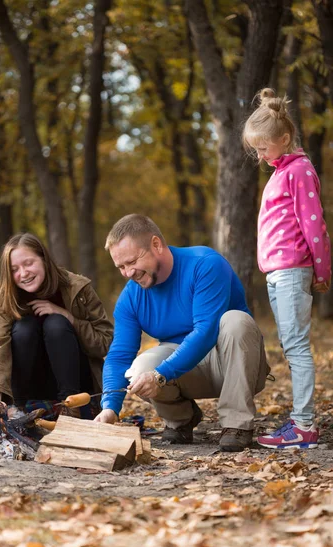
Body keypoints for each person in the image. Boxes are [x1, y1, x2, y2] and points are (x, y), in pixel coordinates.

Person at [94, 214, 270, 452]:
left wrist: (160, 375)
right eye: (121, 267)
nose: (127, 273)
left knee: (235, 321)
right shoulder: (130, 297)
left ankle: (237, 424)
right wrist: (109, 408)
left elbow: (206, 331)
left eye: (131, 262)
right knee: (137, 369)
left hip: (231, 362)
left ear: (156, 245)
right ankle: (181, 419)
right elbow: (119, 355)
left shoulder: (205, 263)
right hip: (186, 370)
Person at [242, 88, 331, 449]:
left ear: (284, 138)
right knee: (290, 344)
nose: (260, 155)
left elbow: (314, 225)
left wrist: (322, 271)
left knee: (296, 346)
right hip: (278, 273)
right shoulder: (281, 172)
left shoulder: (300, 171)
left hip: (294, 270)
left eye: (264, 147)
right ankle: (300, 419)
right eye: (256, 150)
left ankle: (305, 426)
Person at [0, 233, 113, 419]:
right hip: (28, 388)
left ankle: (71, 410)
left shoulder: (78, 288)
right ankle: (18, 410)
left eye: (28, 263)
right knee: (24, 328)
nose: (23, 273)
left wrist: (68, 316)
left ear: (44, 259)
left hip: (76, 384)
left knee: (56, 323)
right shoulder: (6, 299)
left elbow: (105, 342)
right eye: (14, 269)